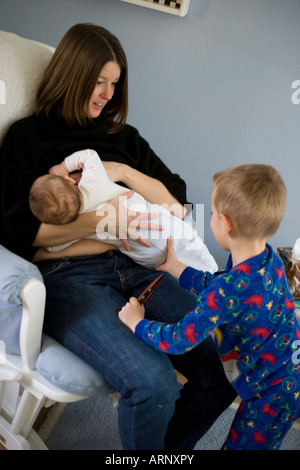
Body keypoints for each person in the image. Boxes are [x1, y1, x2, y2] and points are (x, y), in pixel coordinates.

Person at [0, 23, 236, 450]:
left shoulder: (124, 139)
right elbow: (17, 232)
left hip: (145, 266)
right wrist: (103, 227)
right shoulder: (27, 138)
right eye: (98, 81)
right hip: (70, 275)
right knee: (154, 384)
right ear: (71, 75)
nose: (108, 93)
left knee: (224, 369)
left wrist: (124, 172)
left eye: (115, 83)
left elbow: (176, 203)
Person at [119, 163, 300, 450]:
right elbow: (227, 288)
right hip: (291, 370)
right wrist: (179, 269)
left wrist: (136, 322)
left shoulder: (227, 290)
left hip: (270, 396)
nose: (211, 219)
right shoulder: (270, 260)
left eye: (213, 214)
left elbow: (179, 340)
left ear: (225, 224)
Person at [29, 148, 218, 272]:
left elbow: (53, 246)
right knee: (201, 259)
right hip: (165, 226)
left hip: (148, 257)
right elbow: (89, 155)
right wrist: (63, 167)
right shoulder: (92, 180)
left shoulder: (82, 225)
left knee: (187, 273)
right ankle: (219, 282)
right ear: (70, 181)